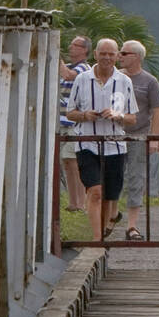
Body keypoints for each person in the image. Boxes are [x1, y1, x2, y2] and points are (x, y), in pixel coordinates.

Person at [66, 39, 137, 243]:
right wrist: (85, 115)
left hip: (114, 145)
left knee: (109, 195)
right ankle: (96, 240)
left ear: (117, 56)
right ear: (95, 54)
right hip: (87, 143)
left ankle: (103, 231)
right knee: (95, 190)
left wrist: (118, 116)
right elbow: (70, 112)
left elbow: (133, 117)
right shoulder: (82, 79)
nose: (107, 58)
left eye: (111, 54)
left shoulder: (124, 81)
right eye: (103, 53)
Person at [117, 40, 159, 242]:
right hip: (114, 135)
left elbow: (157, 111)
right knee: (114, 177)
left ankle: (132, 225)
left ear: (136, 56)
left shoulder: (150, 81)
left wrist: (153, 138)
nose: (120, 56)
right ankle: (110, 217)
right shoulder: (115, 78)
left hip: (138, 135)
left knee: (136, 178)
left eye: (123, 53)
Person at [59, 35, 91, 211]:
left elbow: (68, 75)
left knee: (73, 162)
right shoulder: (71, 67)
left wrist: (56, 57)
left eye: (75, 45)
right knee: (67, 163)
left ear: (84, 50)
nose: (71, 47)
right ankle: (74, 202)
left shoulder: (83, 68)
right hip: (62, 121)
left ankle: (80, 202)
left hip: (74, 124)